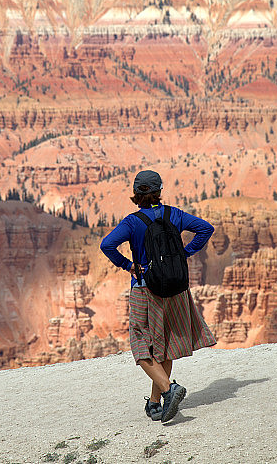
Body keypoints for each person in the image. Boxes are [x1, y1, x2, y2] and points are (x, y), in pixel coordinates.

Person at [100, 170, 217, 423]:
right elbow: (206, 229)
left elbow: (106, 245)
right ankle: (155, 403)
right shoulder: (174, 214)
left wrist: (127, 265)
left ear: (136, 194)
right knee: (166, 344)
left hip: (145, 288)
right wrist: (184, 253)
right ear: (159, 191)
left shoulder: (132, 222)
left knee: (140, 345)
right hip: (175, 288)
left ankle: (169, 389)